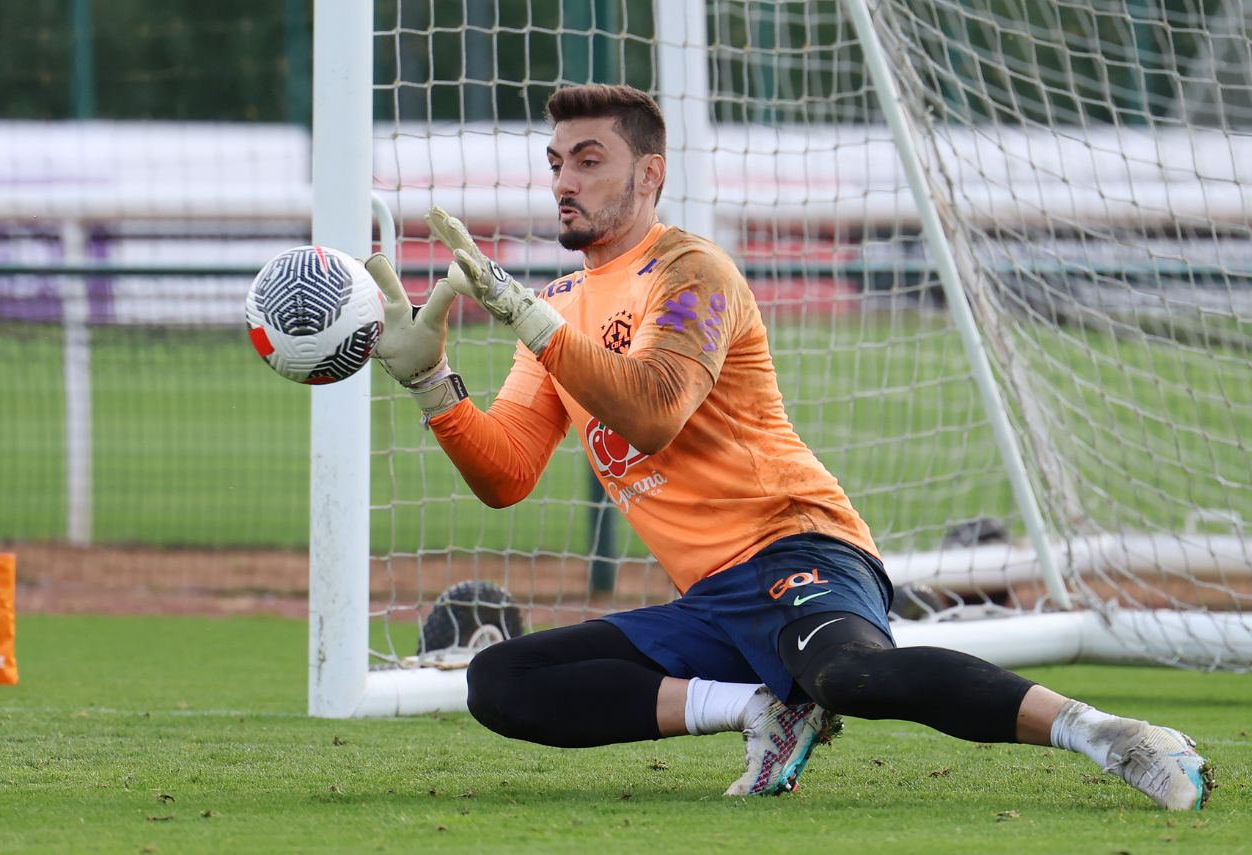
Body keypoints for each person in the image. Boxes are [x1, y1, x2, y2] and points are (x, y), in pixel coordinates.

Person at [364, 83, 1214, 810]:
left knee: (853, 677)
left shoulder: (692, 273)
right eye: (556, 163)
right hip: (709, 601)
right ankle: (761, 711)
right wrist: (433, 383)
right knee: (499, 682)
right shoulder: (551, 304)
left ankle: (1112, 735)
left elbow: (653, 411)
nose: (564, 181)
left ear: (648, 173)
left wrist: (532, 320)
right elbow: (507, 473)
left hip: (796, 543)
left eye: (588, 159)